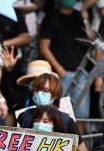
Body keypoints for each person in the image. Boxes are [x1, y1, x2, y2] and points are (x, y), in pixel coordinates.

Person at [39, 0, 90, 132]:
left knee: (81, 116)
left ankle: (79, 149)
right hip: (61, 74)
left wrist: (86, 18)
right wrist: (59, 69)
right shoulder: (50, 17)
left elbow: (91, 39)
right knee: (58, 115)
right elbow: (44, 47)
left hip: (81, 73)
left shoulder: (79, 16)